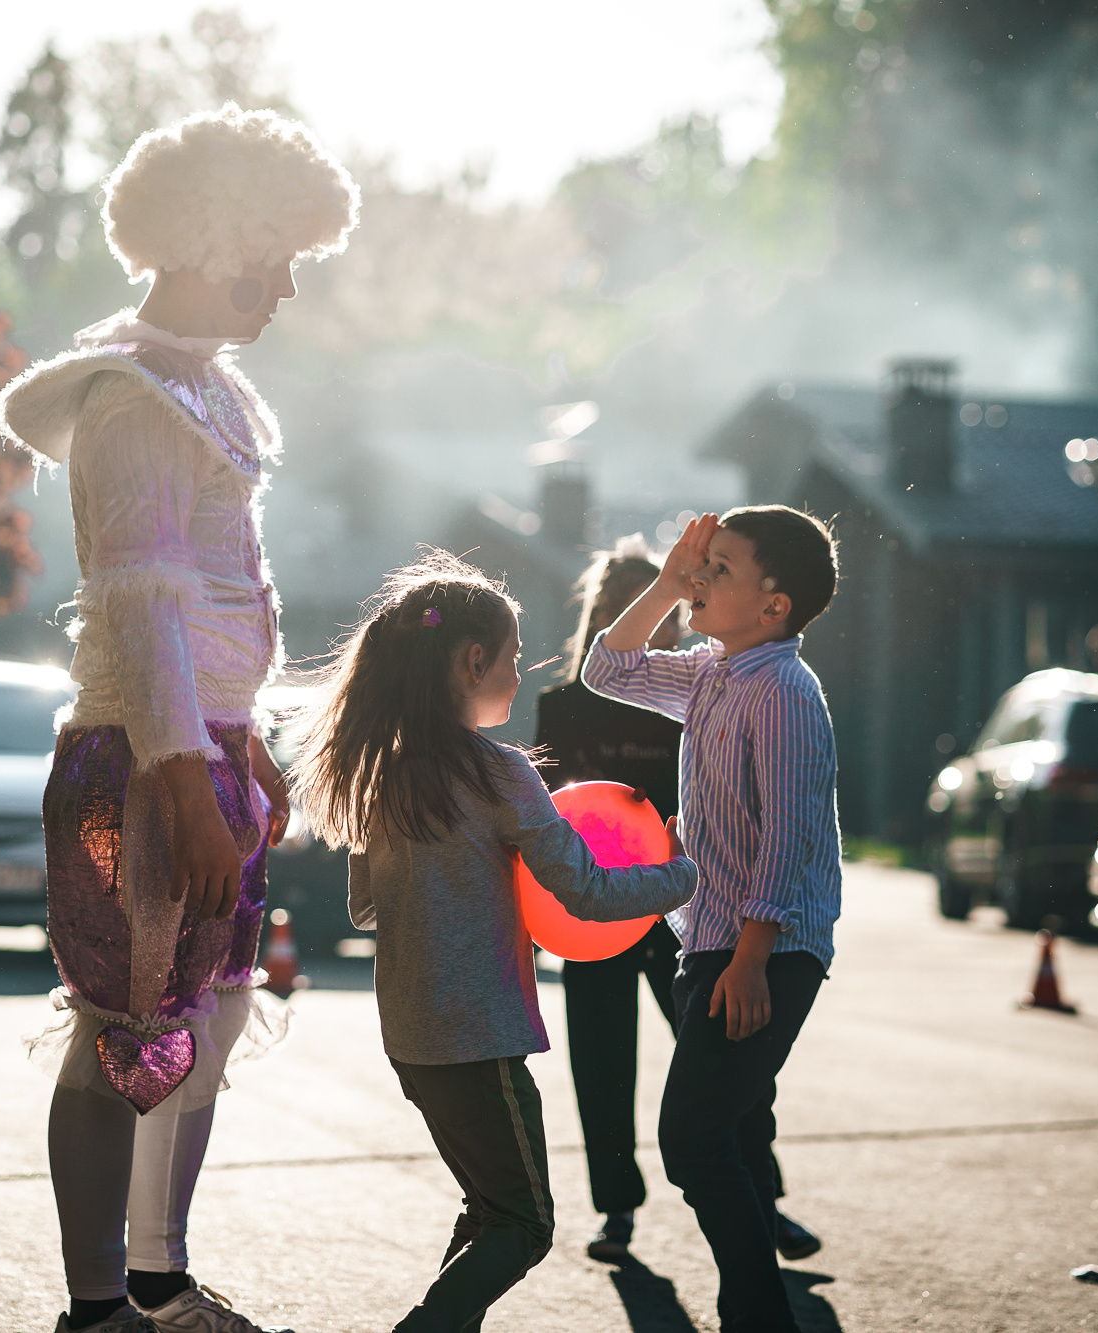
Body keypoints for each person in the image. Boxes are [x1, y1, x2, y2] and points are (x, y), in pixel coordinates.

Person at [0, 104, 359, 1333]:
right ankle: (98, 1308)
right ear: (224, 240)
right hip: (142, 766)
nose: (289, 290)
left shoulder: (212, 392)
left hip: (206, 751)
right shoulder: (132, 394)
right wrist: (184, 775)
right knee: (122, 1031)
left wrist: (246, 744)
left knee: (205, 1020)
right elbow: (137, 602)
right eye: (283, 257)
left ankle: (158, 1278)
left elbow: (207, 607)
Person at [289, 553, 698, 1333]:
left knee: (489, 1206)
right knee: (525, 1223)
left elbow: (366, 907)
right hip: (482, 1037)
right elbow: (588, 891)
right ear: (472, 660)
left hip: (413, 1039)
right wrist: (685, 873)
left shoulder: (385, 775)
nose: (521, 671)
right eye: (513, 657)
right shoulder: (503, 773)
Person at [583, 507, 844, 1333]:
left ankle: (758, 1315)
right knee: (713, 1132)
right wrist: (666, 581)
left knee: (695, 1137)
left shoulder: (786, 691)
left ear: (774, 605)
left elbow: (792, 833)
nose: (701, 580)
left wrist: (753, 958)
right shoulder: (711, 673)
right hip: (713, 940)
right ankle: (757, 1311)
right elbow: (609, 670)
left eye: (719, 569)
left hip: (764, 946)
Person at [534, 539, 822, 1266]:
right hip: (593, 905)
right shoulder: (564, 705)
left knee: (729, 1071)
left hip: (684, 899)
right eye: (624, 603)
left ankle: (766, 1200)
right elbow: (546, 812)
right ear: (608, 610)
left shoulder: (694, 681)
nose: (662, 617)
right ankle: (617, 1210)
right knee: (601, 1065)